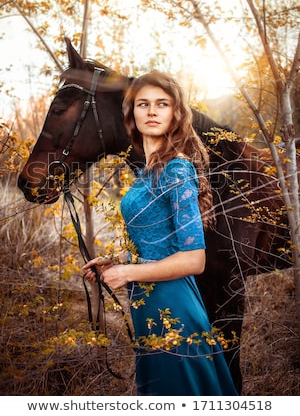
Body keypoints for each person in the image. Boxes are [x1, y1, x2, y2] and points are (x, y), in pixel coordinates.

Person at [83, 71, 238, 396]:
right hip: (148, 303)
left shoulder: (176, 170)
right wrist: (116, 262)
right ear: (132, 113)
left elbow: (194, 259)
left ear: (175, 114)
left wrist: (129, 272)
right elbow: (160, 244)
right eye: (143, 104)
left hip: (174, 306)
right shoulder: (147, 172)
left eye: (162, 104)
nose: (152, 111)